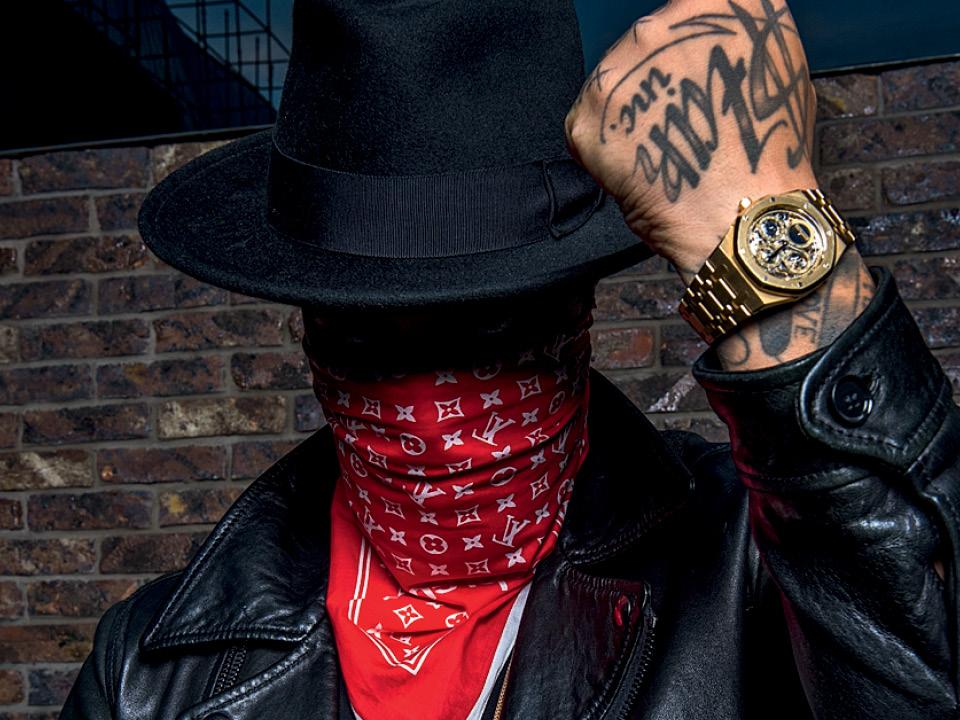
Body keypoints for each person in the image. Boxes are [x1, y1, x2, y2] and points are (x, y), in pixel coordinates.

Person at [60, 0, 960, 718]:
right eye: (366, 334)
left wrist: (781, 271)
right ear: (308, 325)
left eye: (488, 328)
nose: (430, 411)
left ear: (579, 304)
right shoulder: (146, 676)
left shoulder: (756, 568)